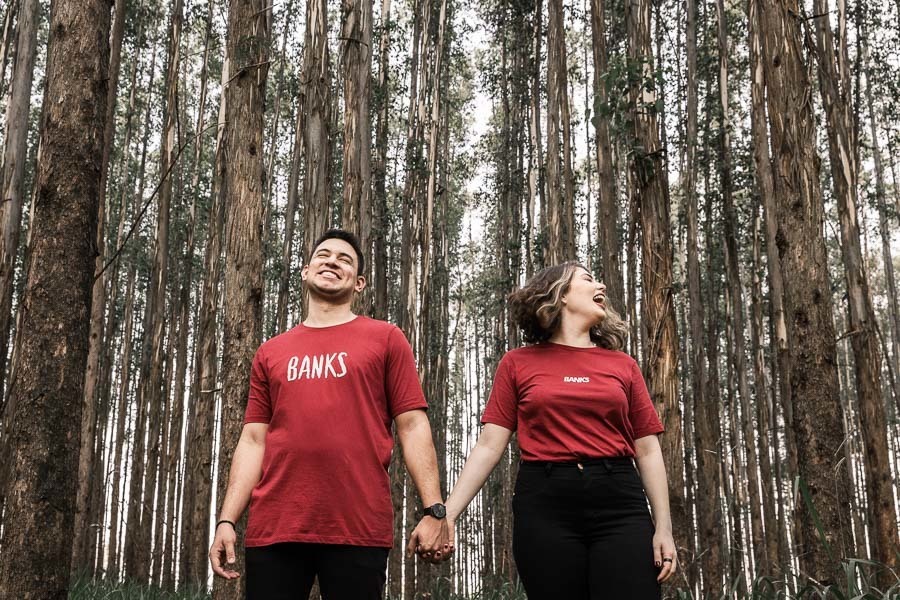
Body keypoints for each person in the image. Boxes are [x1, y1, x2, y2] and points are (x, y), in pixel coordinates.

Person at [409, 261, 677, 599]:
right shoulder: (518, 363)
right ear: (561, 294)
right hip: (545, 505)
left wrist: (663, 527)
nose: (602, 287)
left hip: (620, 503)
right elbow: (490, 446)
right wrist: (447, 514)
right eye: (588, 279)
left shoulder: (622, 365)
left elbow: (648, 449)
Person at [209, 229, 451, 599]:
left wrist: (435, 509)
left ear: (359, 283)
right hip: (275, 526)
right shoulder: (271, 352)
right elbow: (254, 439)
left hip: (357, 526)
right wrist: (227, 519)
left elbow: (413, 424)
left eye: (345, 259)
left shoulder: (385, 339)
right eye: (323, 255)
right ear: (305, 271)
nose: (332, 261)